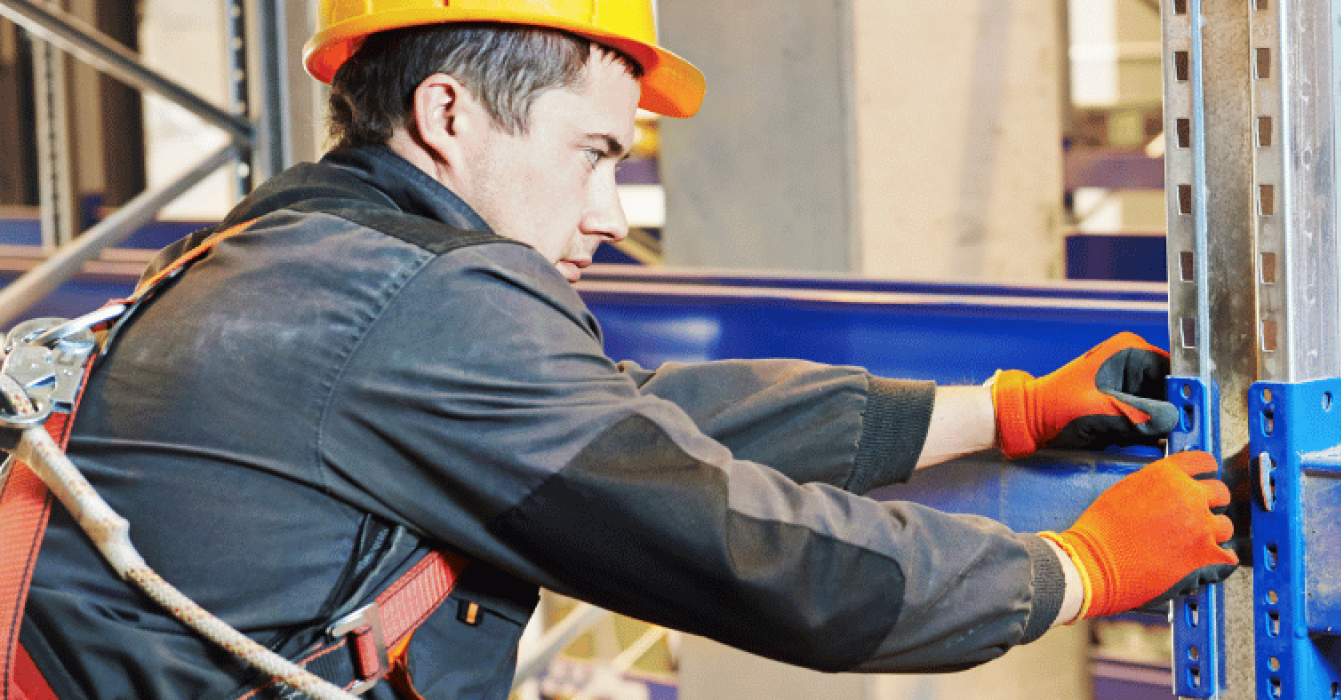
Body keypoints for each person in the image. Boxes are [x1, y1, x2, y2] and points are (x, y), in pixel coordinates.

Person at [17, 1, 1238, 697]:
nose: (609, 214)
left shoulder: (290, 248)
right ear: (448, 115)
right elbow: (727, 543)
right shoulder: (419, 303)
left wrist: (996, 412)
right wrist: (1069, 569)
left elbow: (627, 418)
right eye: (596, 154)